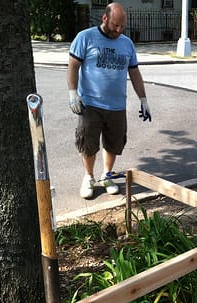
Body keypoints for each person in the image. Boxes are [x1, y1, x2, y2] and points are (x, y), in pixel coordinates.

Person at [67, 2, 152, 199]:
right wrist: (73, 94)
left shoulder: (127, 43)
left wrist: (143, 99)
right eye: (115, 25)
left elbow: (135, 72)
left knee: (113, 143)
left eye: (123, 26)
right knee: (88, 142)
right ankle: (88, 177)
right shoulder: (85, 37)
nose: (119, 30)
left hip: (117, 105)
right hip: (90, 103)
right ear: (104, 18)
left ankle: (107, 175)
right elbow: (73, 66)